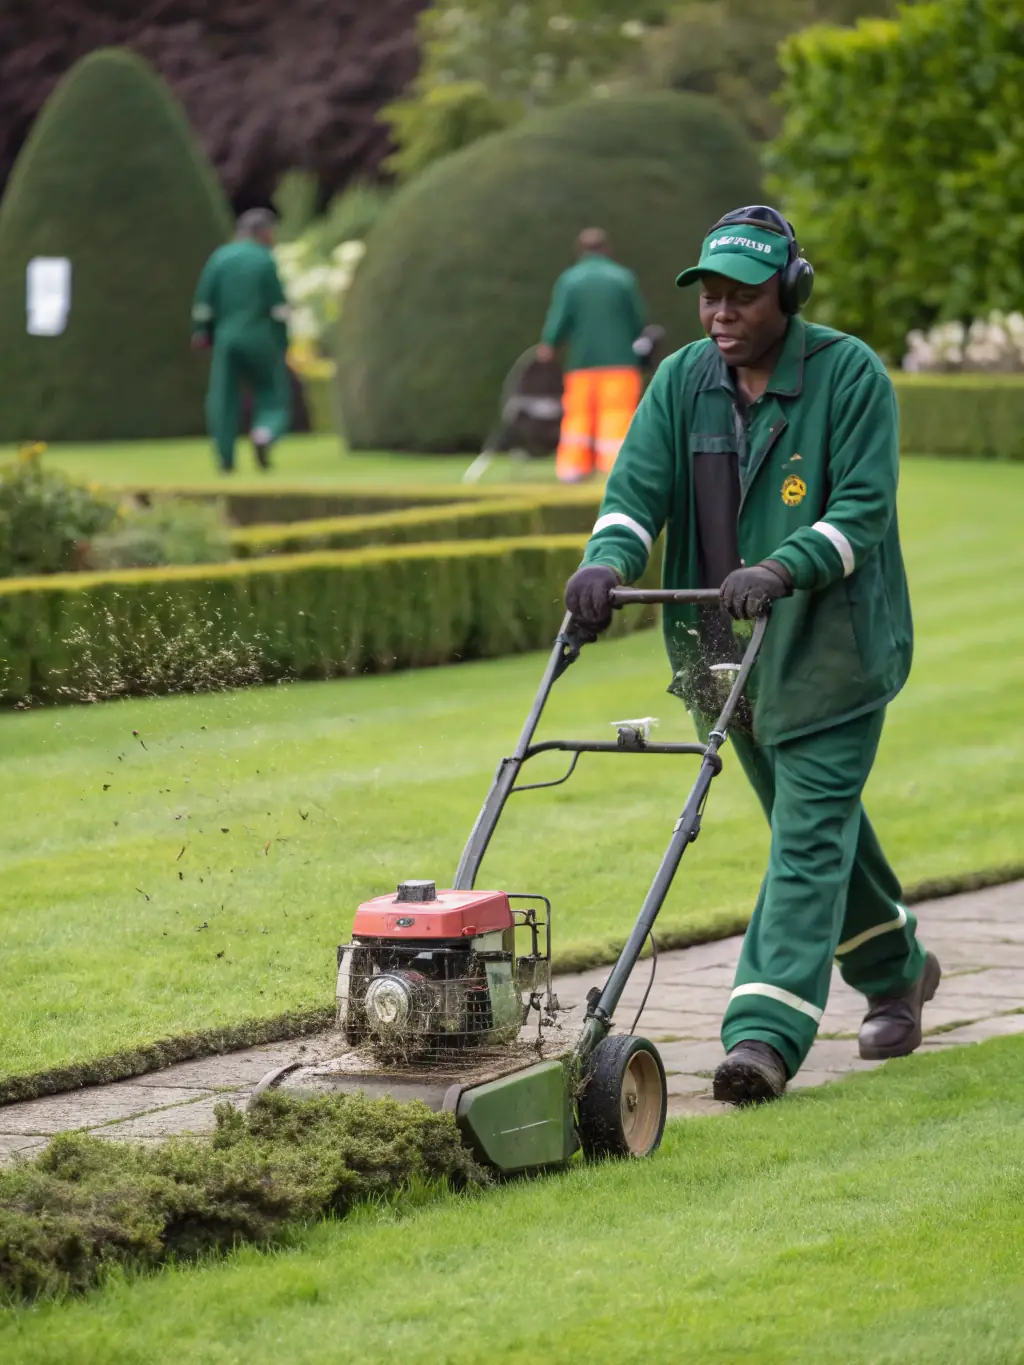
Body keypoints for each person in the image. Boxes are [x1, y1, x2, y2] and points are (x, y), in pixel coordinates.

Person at [563, 204, 940, 1105]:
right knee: (819, 829)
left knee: (808, 839)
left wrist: (781, 565)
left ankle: (762, 1034)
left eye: (743, 296)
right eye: (710, 297)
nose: (722, 313)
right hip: (722, 660)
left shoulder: (848, 375)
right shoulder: (681, 381)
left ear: (790, 291)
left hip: (832, 652)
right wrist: (604, 562)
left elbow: (860, 513)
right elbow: (634, 491)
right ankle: (898, 969)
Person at [537, 228, 647, 484]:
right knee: (617, 415)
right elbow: (638, 320)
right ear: (606, 248)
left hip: (582, 362)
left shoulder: (570, 280)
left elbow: (559, 318)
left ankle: (573, 469)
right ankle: (615, 468)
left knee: (578, 416)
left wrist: (549, 344)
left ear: (580, 251)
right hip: (621, 361)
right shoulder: (622, 278)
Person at [191, 208, 291, 472]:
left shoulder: (219, 258)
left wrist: (202, 332)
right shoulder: (263, 260)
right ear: (264, 232)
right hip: (260, 337)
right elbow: (278, 308)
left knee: (223, 397)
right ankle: (264, 434)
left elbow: (203, 304)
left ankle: (225, 457)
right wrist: (283, 342)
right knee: (272, 393)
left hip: (226, 338)